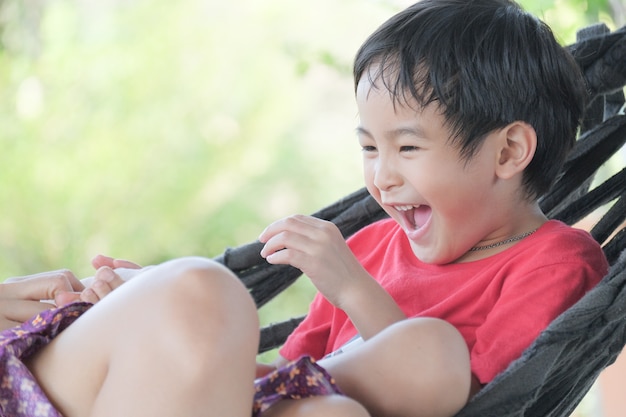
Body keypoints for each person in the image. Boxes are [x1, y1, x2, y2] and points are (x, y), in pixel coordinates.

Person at [0, 0, 610, 416]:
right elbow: (281, 374)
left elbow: (476, 396)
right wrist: (157, 319)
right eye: (368, 148)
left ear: (508, 151)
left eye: (406, 147)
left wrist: (351, 287)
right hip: (284, 395)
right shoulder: (372, 245)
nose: (381, 177)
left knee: (392, 376)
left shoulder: (556, 261)